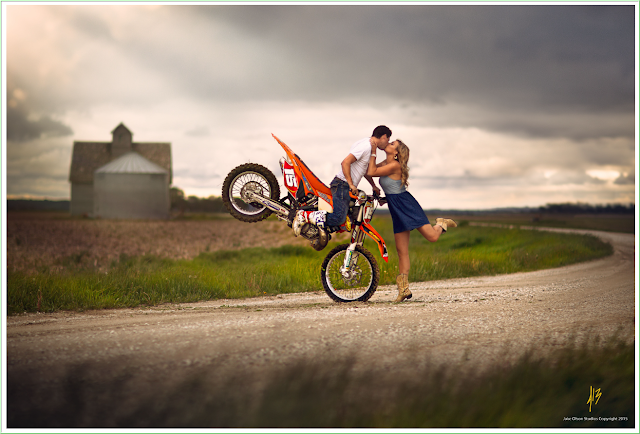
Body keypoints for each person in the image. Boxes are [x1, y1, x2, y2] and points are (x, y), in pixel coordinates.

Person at [366, 138, 457, 302]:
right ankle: (403, 290)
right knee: (402, 251)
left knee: (432, 237)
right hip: (396, 208)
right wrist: (377, 189)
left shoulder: (394, 166)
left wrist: (373, 150)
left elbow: (371, 171)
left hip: (407, 205)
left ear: (396, 153)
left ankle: (441, 223)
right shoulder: (385, 163)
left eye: (393, 144)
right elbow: (368, 171)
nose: (389, 143)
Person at [292, 125, 392, 236]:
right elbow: (345, 162)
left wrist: (373, 186)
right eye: (388, 140)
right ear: (383, 137)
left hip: (344, 185)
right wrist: (351, 184)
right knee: (339, 218)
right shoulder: (366, 146)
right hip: (342, 184)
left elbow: (363, 169)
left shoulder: (367, 144)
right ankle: (304, 216)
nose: (388, 143)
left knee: (347, 218)